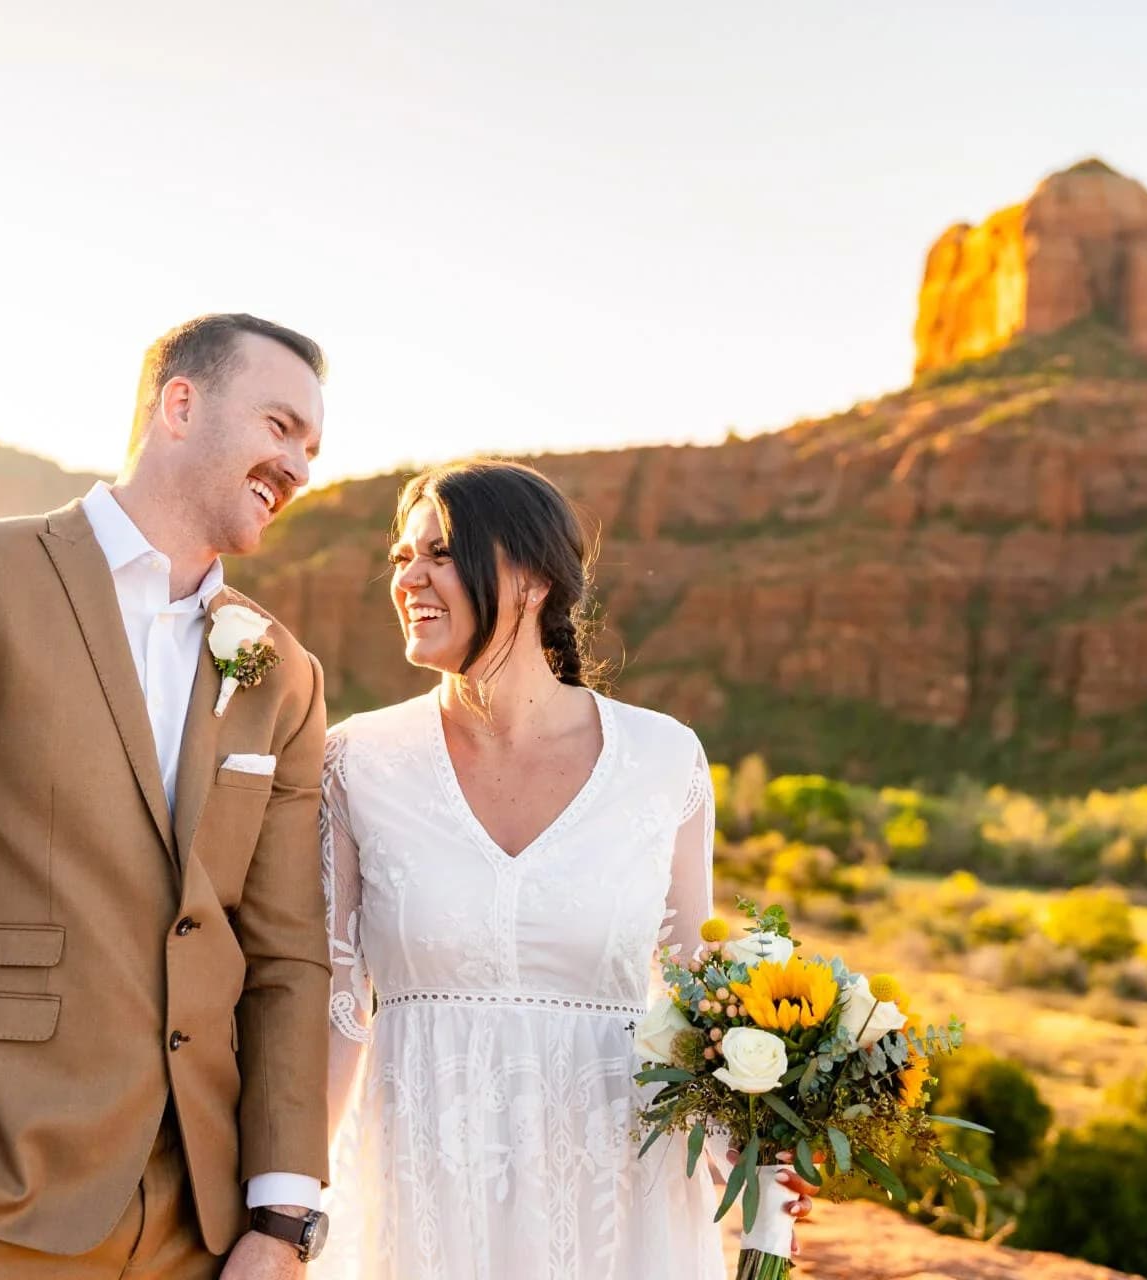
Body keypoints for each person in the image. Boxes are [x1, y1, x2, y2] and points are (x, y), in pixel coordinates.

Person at [0, 314, 336, 1278]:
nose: (297, 464)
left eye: (311, 447)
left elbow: (287, 952)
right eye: (279, 425)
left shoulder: (282, 672)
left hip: (195, 1224)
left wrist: (282, 1215)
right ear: (180, 405)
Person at [318, 460, 816, 1279]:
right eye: (401, 556)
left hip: (619, 1194)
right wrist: (293, 1204)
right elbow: (337, 1011)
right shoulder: (355, 760)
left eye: (439, 553)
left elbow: (698, 988)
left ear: (534, 578)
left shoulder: (662, 758)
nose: (408, 578)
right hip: (420, 1184)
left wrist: (750, 1148)